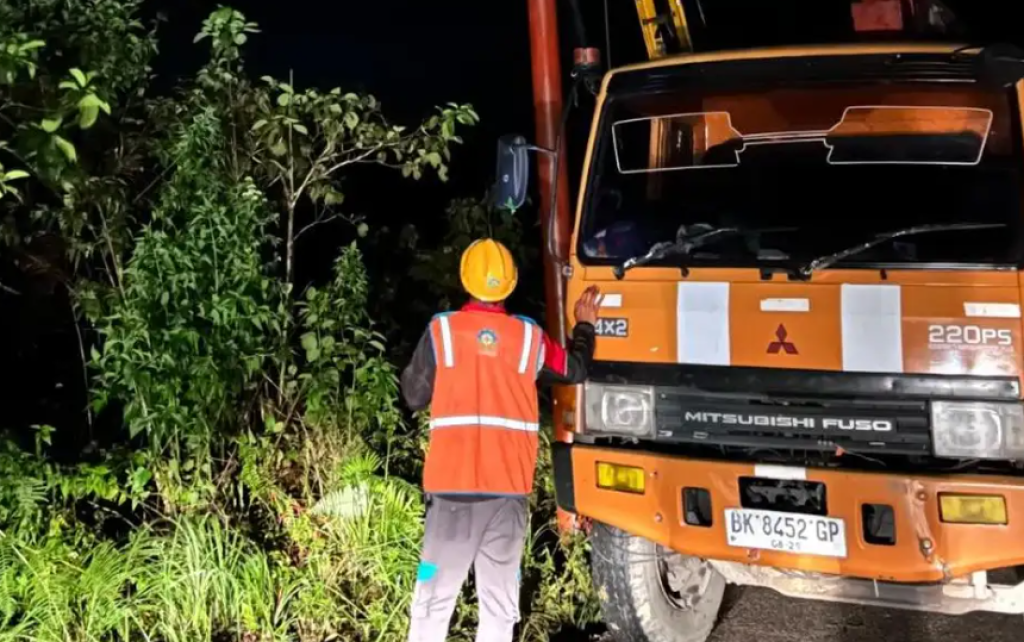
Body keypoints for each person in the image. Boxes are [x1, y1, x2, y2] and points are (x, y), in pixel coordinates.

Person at [400, 238, 600, 642]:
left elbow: (413, 396)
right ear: (509, 285)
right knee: (498, 606)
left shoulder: (442, 332)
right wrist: (585, 325)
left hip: (450, 496)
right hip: (508, 494)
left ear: (464, 280)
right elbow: (574, 369)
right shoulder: (528, 338)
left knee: (432, 599)